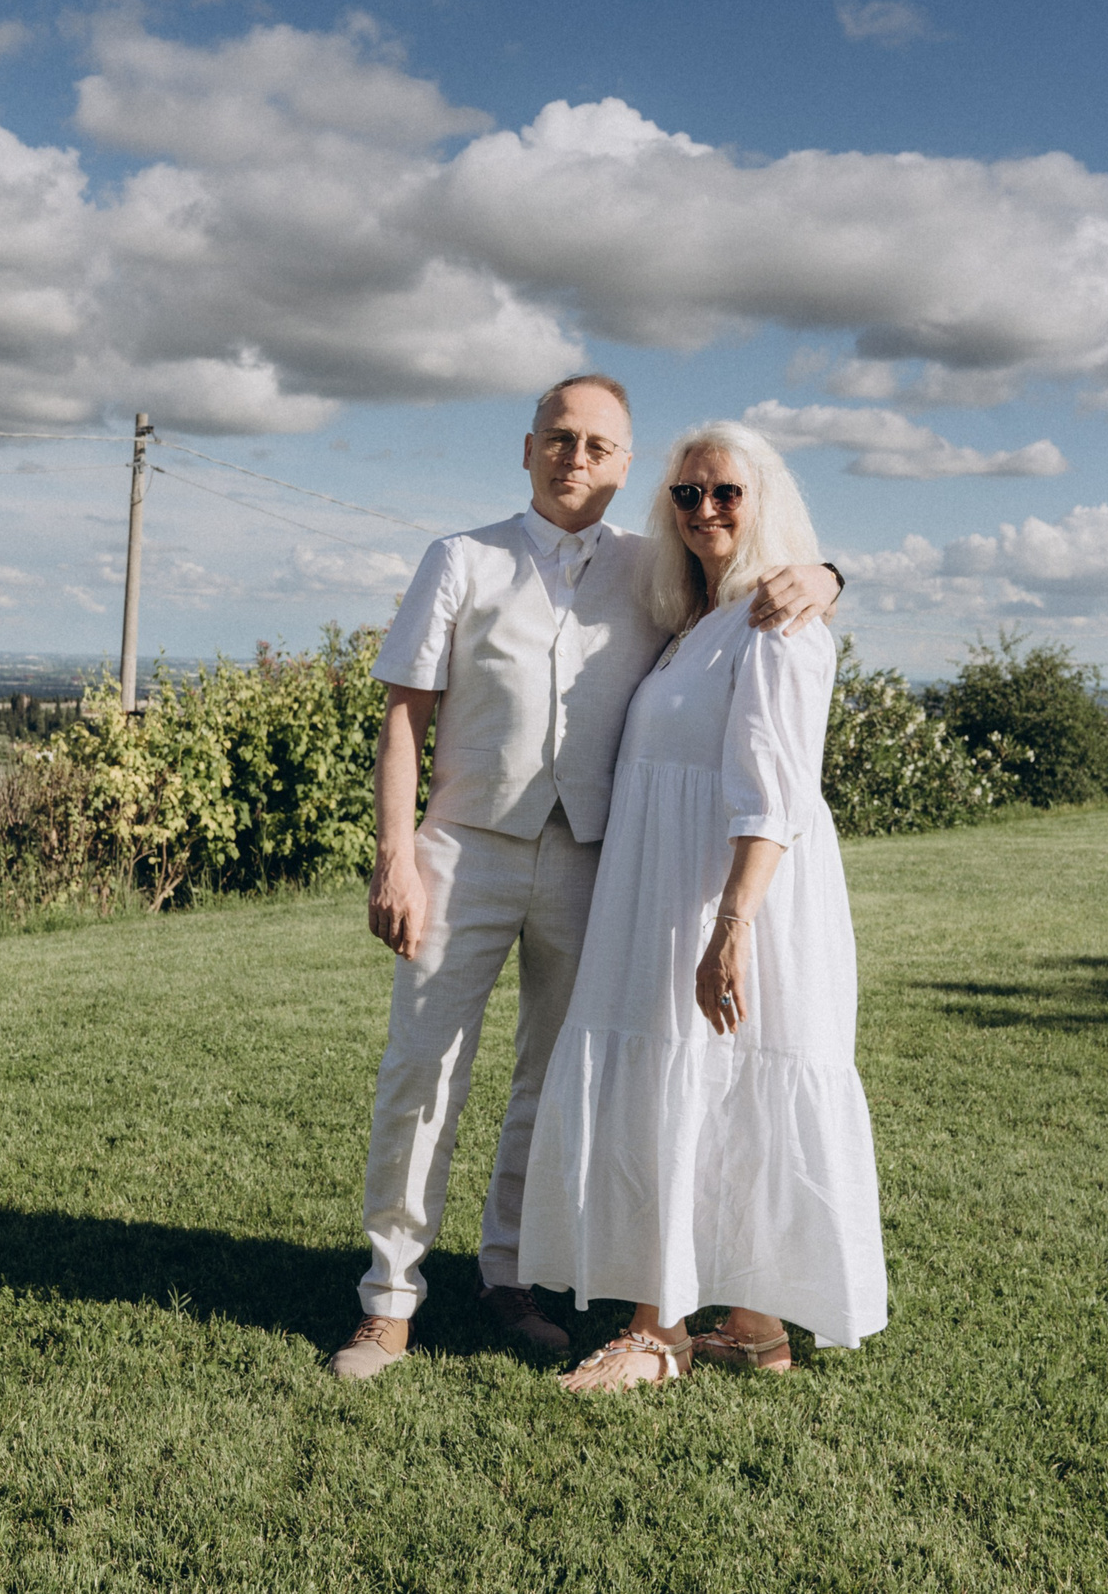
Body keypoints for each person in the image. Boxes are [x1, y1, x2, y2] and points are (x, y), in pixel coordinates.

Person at [331, 378, 843, 1380]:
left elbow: (761, 569)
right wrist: (395, 854)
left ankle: (510, 1274)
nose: (577, 457)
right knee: (421, 1069)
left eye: (599, 445)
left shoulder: (656, 565)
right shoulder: (460, 557)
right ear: (528, 449)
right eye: (560, 438)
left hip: (596, 861)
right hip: (464, 850)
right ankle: (388, 1301)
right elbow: (403, 716)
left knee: (554, 1076)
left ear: (624, 465)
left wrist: (827, 575)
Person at [515, 419, 889, 1392]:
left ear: (764, 503)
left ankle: (658, 1330)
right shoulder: (700, 619)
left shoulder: (776, 621)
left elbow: (774, 789)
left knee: (695, 1081)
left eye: (726, 492)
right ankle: (754, 1324)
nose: (705, 509)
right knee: (719, 1088)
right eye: (686, 494)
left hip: (730, 893)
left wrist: (732, 925)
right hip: (670, 885)